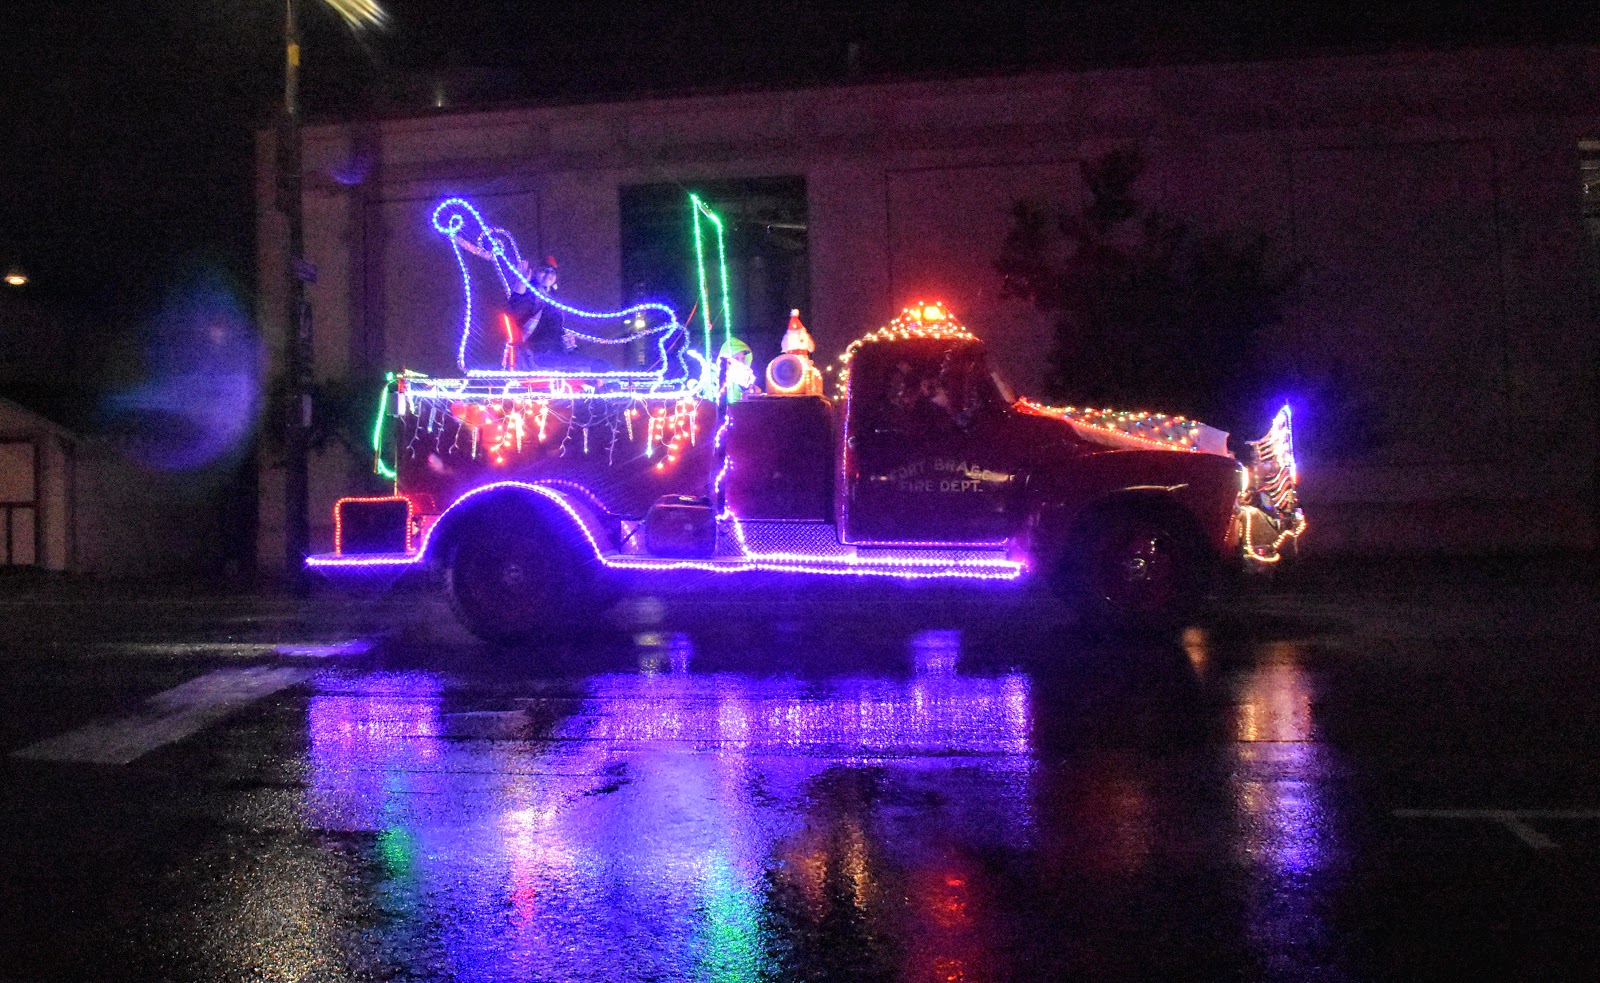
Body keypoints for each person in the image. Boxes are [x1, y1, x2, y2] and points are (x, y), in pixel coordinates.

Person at [502, 256, 610, 372]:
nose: (549, 275)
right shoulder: (531, 294)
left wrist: (567, 339)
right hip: (539, 354)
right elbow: (514, 310)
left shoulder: (553, 297)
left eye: (552, 272)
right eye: (544, 270)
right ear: (535, 272)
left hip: (557, 351)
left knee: (603, 365)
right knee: (598, 366)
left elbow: (554, 327)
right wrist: (521, 283)